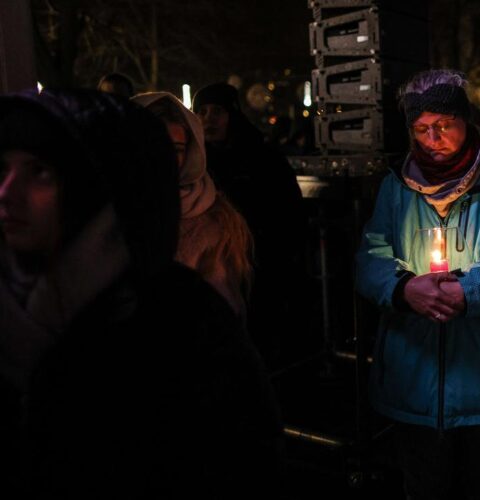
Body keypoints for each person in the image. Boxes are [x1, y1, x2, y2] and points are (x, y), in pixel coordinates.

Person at [0, 89, 282, 496]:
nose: (8, 193)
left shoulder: (183, 317)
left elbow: (243, 455)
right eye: (1, 169)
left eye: (40, 171)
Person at [355, 69, 480, 499]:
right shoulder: (397, 186)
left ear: (467, 121)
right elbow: (371, 253)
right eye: (422, 129)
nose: (433, 138)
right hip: (415, 377)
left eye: (444, 125)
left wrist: (470, 290)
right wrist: (404, 288)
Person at [192, 82, 303, 364]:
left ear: (233, 114)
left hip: (259, 270)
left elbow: (287, 214)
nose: (208, 119)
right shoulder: (194, 164)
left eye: (217, 111)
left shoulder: (262, 159)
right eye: (201, 112)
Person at [133, 92, 254, 318]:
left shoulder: (210, 221)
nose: (165, 158)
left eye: (177, 149)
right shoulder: (103, 212)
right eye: (155, 144)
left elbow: (223, 314)